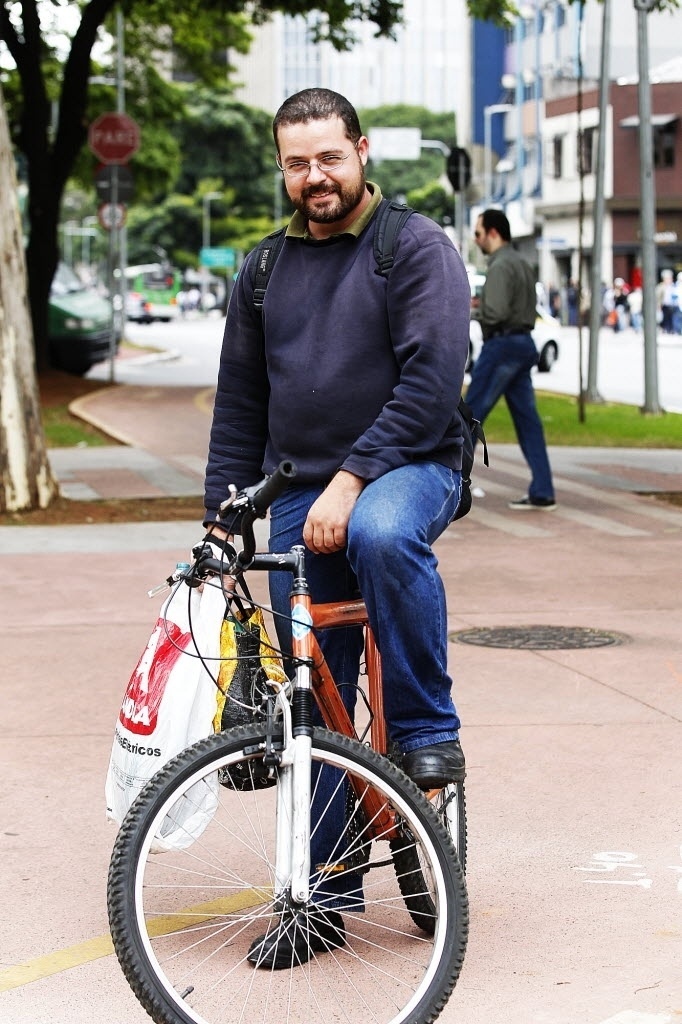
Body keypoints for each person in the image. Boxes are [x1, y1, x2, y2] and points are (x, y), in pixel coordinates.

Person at [203, 88, 471, 965]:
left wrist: (353, 480)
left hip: (406, 468)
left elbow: (432, 384)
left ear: (360, 151)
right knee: (308, 698)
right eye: (296, 162)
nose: (314, 176)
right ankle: (325, 896)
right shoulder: (265, 269)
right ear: (280, 166)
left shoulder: (416, 249)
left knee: (384, 536)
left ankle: (428, 736)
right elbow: (241, 407)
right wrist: (221, 524)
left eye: (329, 157)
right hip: (298, 486)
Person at [467, 208, 556, 510]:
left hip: (501, 345)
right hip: (522, 344)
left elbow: (496, 312)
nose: (476, 240)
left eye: (478, 233)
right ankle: (543, 490)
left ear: (493, 233)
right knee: (528, 421)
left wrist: (474, 312)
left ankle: (449, 488)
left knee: (469, 418)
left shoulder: (500, 265)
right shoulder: (521, 262)